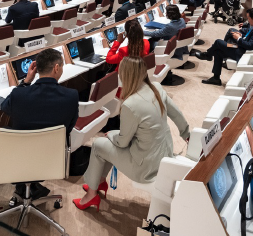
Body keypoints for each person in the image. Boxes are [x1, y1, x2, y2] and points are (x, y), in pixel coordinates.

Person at [75, 56, 190, 210]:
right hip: (164, 155)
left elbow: (122, 142)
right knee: (107, 144)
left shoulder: (131, 104)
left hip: (145, 168)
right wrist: (187, 134)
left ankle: (91, 195)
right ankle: (98, 182)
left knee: (98, 145)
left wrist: (111, 134)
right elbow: (177, 114)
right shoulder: (156, 88)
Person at [0, 48, 79, 200]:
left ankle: (25, 186)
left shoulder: (19, 95)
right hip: (52, 157)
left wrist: (26, 82)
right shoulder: (71, 96)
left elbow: (4, 107)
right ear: (56, 68)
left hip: (18, 157)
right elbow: (68, 128)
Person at [197, 8, 253, 86]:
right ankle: (216, 78)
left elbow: (250, 46)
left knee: (218, 42)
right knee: (218, 52)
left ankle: (208, 55)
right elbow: (250, 36)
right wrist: (241, 35)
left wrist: (239, 38)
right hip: (239, 47)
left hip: (241, 51)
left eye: (249, 18)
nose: (248, 20)